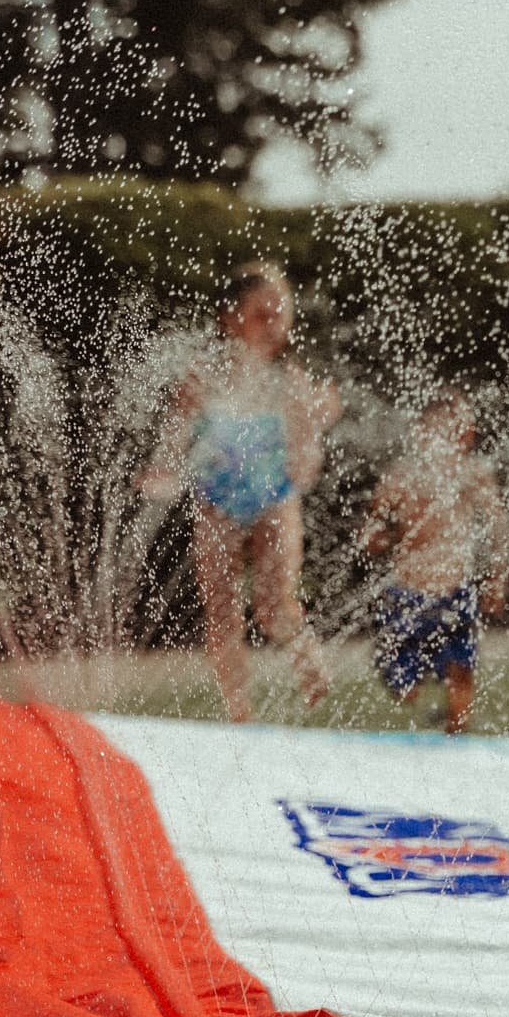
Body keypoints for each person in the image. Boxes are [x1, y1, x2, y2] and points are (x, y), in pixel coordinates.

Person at [145, 262, 340, 721]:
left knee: (274, 607)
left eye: (281, 315)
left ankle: (307, 659)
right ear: (230, 319)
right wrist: (165, 468)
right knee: (222, 608)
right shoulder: (205, 374)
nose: (274, 325)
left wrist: (314, 429)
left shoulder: (289, 379)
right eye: (262, 315)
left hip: (274, 497)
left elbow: (304, 453)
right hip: (217, 498)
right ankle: (239, 709)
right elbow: (177, 429)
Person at [362, 390, 509, 735]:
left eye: (464, 430)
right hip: (407, 593)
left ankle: (456, 732)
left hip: (454, 590)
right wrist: (377, 539)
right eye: (448, 428)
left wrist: (497, 577)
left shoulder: (472, 475)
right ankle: (401, 671)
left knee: (461, 671)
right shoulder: (400, 477)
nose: (459, 437)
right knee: (405, 688)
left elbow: (498, 525)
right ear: (422, 434)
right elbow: (373, 530)